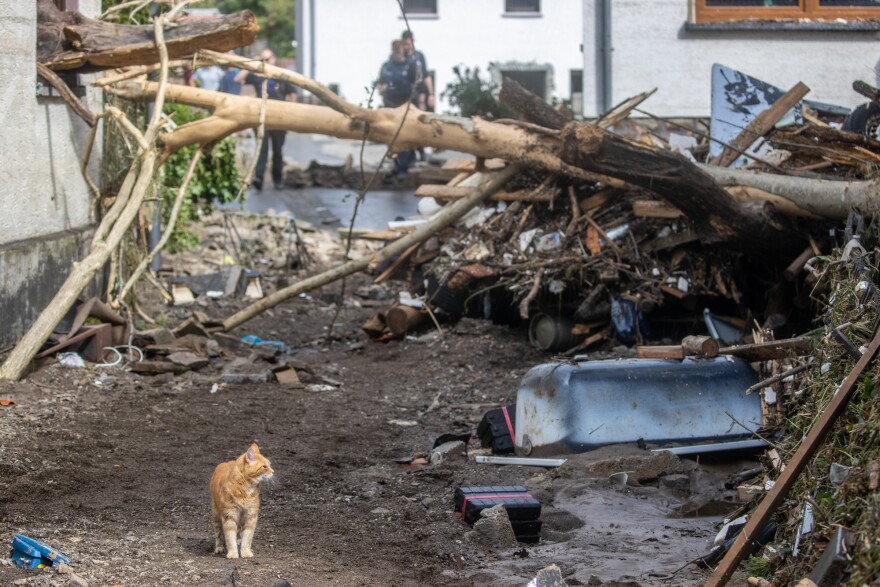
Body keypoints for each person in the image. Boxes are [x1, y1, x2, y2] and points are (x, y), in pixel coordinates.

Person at [234, 49, 297, 191]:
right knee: (262, 150)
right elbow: (238, 79)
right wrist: (254, 63)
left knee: (277, 151)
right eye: (263, 60)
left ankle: (278, 180)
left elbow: (292, 92)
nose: (266, 63)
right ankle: (259, 178)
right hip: (262, 118)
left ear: (274, 59)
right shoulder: (258, 75)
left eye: (268, 60)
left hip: (279, 119)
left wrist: (291, 112)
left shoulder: (282, 75)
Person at [376, 40, 419, 179]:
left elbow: (417, 82)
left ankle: (404, 166)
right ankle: (396, 163)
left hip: (405, 103)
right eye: (395, 50)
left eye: (400, 50)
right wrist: (380, 88)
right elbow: (379, 81)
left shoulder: (410, 65)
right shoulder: (386, 66)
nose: (398, 53)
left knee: (405, 134)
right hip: (389, 103)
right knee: (392, 135)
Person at [401, 30, 434, 112]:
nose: (406, 46)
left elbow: (425, 75)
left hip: (418, 95)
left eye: (408, 43)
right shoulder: (400, 56)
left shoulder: (419, 56)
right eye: (404, 44)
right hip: (403, 96)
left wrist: (431, 94)